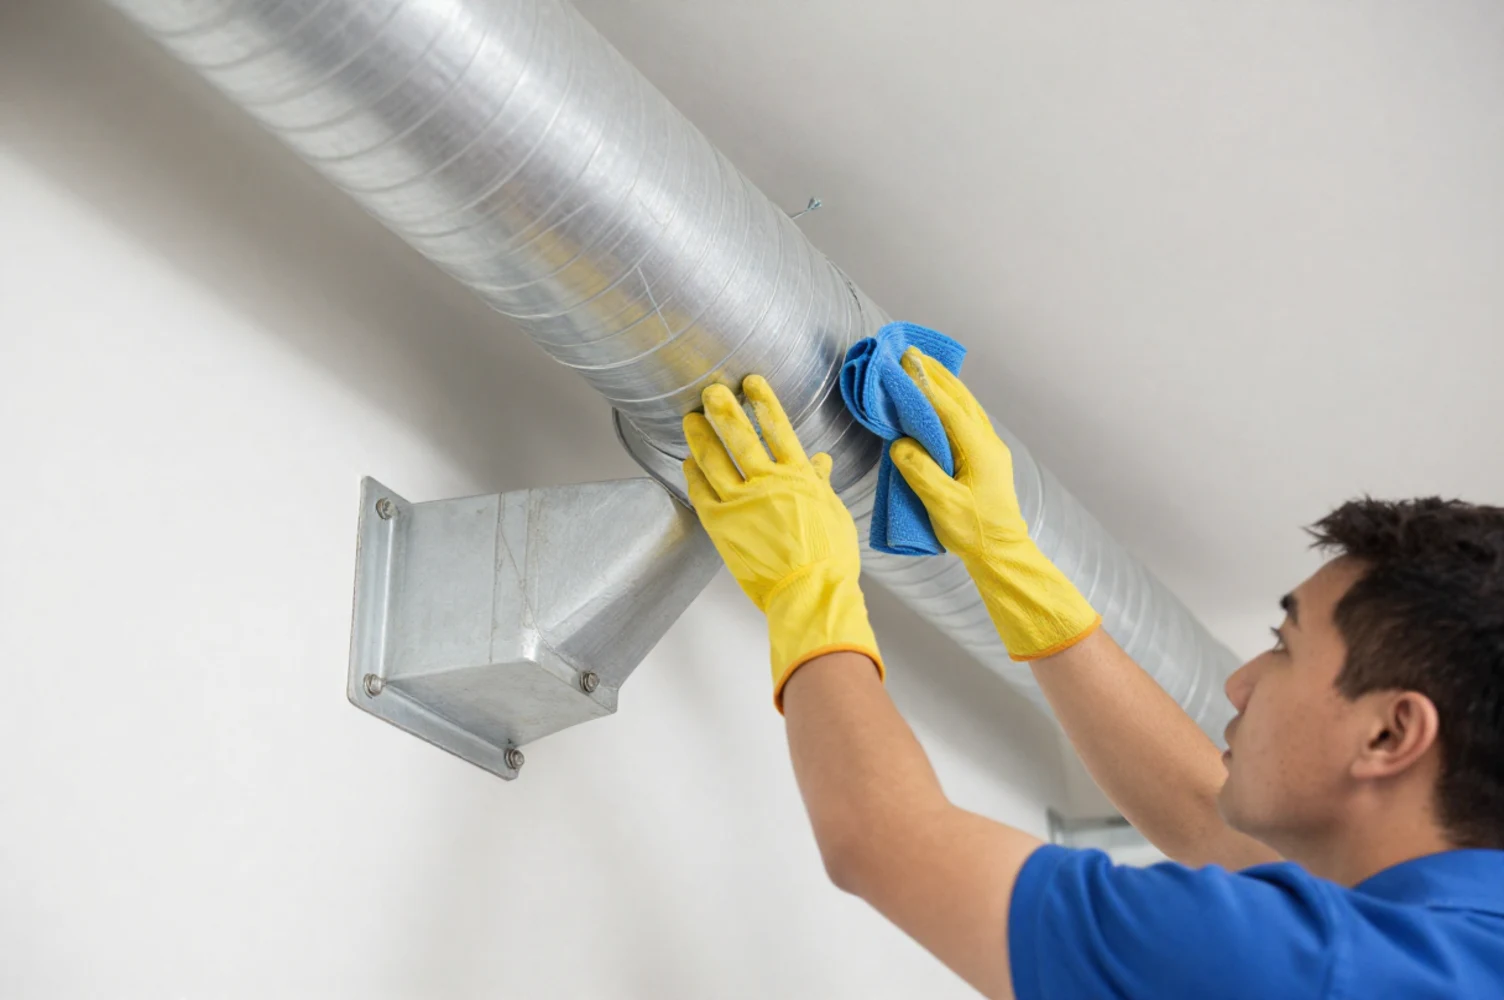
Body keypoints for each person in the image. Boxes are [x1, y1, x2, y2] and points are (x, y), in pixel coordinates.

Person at [679, 349, 1504, 999]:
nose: (1239, 683)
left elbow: (881, 839)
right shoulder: (1451, 945)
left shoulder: (1323, 970)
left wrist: (806, 594)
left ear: (1391, 733)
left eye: (1285, 646)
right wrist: (1010, 564)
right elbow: (1202, 819)